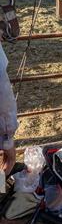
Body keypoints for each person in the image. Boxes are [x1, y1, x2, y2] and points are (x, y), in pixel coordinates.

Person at [0, 41, 18, 176]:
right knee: (10, 159)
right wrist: (8, 134)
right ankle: (0, 188)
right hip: (4, 127)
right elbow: (5, 103)